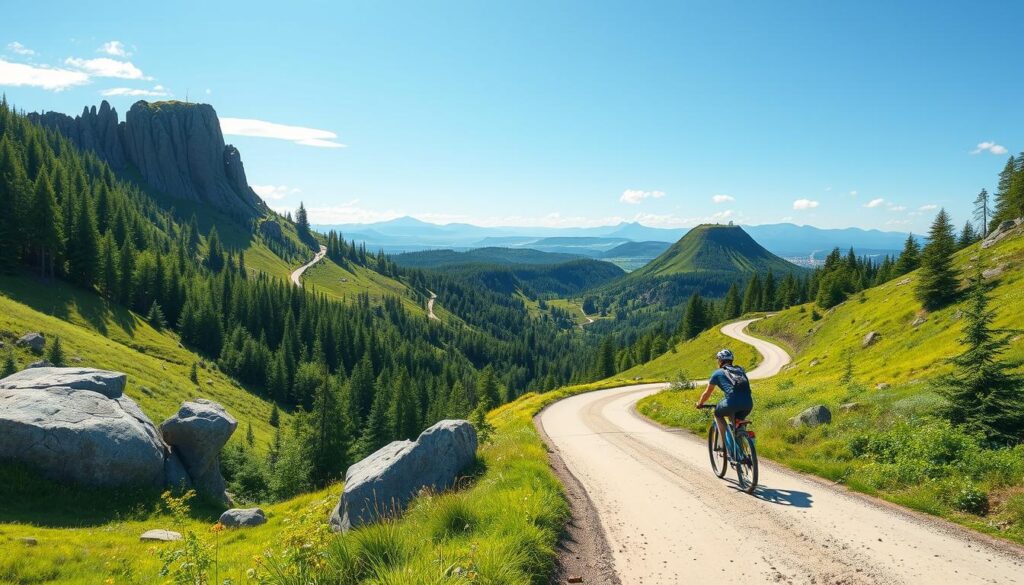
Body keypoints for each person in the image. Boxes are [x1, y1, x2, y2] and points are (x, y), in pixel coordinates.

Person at [695, 349, 753, 450]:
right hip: (748, 403)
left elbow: (707, 392)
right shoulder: (740, 370)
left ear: (720, 361)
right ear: (731, 360)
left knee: (718, 414)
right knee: (736, 422)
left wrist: (700, 403)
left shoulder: (717, 373)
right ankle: (742, 448)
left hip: (731, 402)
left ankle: (723, 445)